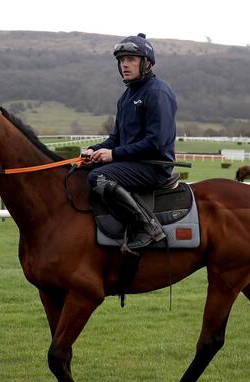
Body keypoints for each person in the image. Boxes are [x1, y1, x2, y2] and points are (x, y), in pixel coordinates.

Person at [81, 33, 178, 250]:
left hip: (153, 166)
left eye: (131, 59)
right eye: (122, 60)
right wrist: (94, 150)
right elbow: (116, 139)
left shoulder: (158, 93)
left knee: (99, 176)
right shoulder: (126, 97)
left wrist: (113, 155)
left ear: (146, 63)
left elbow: (156, 143)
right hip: (132, 163)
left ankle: (146, 226)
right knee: (87, 169)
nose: (125, 65)